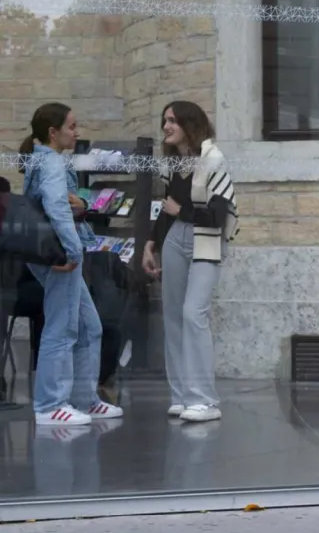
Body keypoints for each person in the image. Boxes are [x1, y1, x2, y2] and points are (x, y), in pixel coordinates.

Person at [19, 103, 123, 425]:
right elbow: (56, 207)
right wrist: (72, 250)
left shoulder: (44, 161)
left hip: (55, 253)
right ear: (53, 132)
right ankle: (50, 405)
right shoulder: (49, 162)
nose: (76, 132)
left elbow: (66, 204)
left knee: (88, 326)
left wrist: (83, 208)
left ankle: (83, 398)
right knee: (62, 328)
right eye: (72, 126)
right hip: (59, 256)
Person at [141, 101, 239, 423]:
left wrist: (179, 212)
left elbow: (217, 215)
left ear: (189, 124)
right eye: (164, 120)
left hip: (205, 241)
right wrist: (150, 245)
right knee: (173, 317)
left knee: (192, 314)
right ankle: (182, 396)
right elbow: (166, 208)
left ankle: (205, 400)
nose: (166, 126)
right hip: (175, 239)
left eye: (172, 120)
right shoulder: (173, 164)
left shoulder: (213, 161)